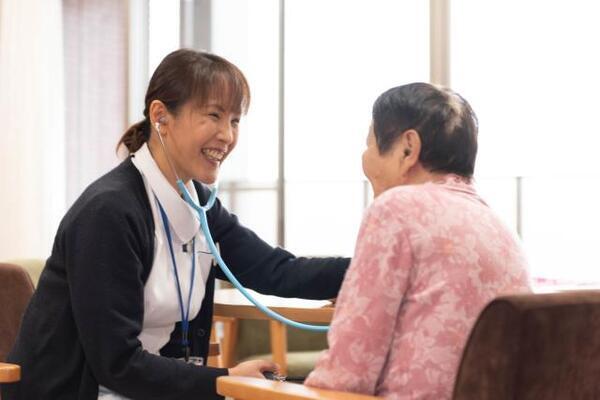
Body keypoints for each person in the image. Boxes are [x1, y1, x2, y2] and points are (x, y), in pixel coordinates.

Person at [4, 49, 349, 400]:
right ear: (160, 117)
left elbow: (279, 270)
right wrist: (225, 380)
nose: (227, 136)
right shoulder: (108, 213)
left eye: (234, 120)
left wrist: (374, 272)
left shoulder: (198, 206)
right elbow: (116, 363)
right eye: (213, 115)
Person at [304, 83, 530, 399]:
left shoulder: (396, 208)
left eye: (369, 144)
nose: (365, 159)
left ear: (408, 149)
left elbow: (347, 375)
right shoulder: (501, 227)